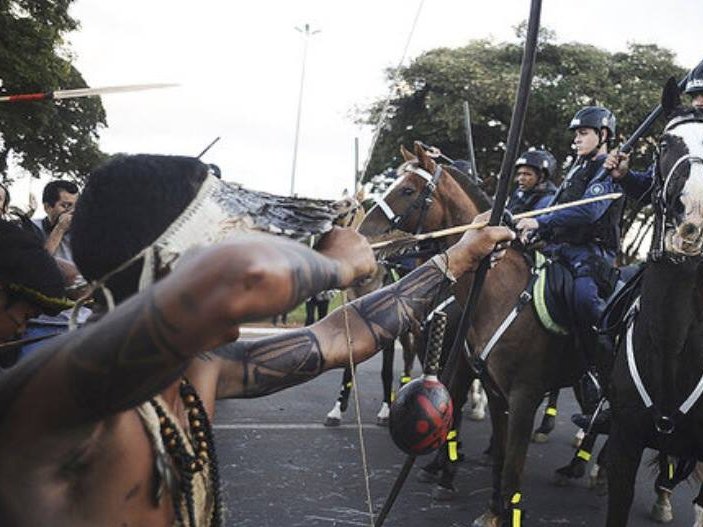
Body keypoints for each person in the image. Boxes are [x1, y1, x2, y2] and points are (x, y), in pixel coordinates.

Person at [0, 154, 514, 526]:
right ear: (169, 271)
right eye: (226, 238)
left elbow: (341, 334)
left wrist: (459, 258)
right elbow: (240, 274)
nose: (248, 245)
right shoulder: (61, 396)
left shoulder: (200, 367)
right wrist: (336, 265)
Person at [516, 107, 624, 410]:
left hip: (593, 254)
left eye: (583, 133)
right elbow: (559, 214)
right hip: (559, 250)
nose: (576, 139)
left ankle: (597, 374)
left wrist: (540, 222)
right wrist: (536, 234)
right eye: (575, 134)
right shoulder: (577, 167)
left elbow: (590, 211)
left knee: (584, 300)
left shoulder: (608, 168)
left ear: (602, 136)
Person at [605, 64, 703, 200]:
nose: (699, 102)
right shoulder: (684, 141)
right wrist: (624, 176)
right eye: (694, 96)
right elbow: (648, 188)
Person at [27, 179, 79, 261]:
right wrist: (60, 229)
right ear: (47, 207)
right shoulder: (31, 227)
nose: (73, 211)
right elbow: (36, 265)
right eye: (66, 205)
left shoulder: (81, 232)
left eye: (76, 206)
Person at [507, 148, 558, 214]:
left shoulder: (548, 201)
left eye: (527, 174)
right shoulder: (519, 195)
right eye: (519, 174)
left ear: (541, 177)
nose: (521, 178)